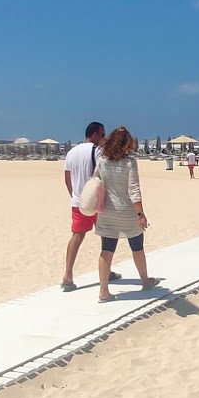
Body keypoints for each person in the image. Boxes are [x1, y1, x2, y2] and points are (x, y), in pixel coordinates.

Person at [94, 126, 160, 302]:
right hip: (127, 212)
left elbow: (96, 183)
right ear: (126, 144)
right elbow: (134, 191)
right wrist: (141, 215)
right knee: (137, 246)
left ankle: (103, 291)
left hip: (107, 212)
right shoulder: (130, 162)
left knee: (107, 250)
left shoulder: (102, 161)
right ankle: (145, 281)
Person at [61, 122, 118, 292]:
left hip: (78, 202)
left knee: (77, 237)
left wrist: (75, 196)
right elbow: (105, 174)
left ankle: (68, 275)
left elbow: (67, 178)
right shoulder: (97, 150)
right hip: (96, 201)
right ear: (93, 134)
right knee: (106, 236)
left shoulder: (71, 152)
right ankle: (105, 271)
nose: (103, 138)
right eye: (102, 134)